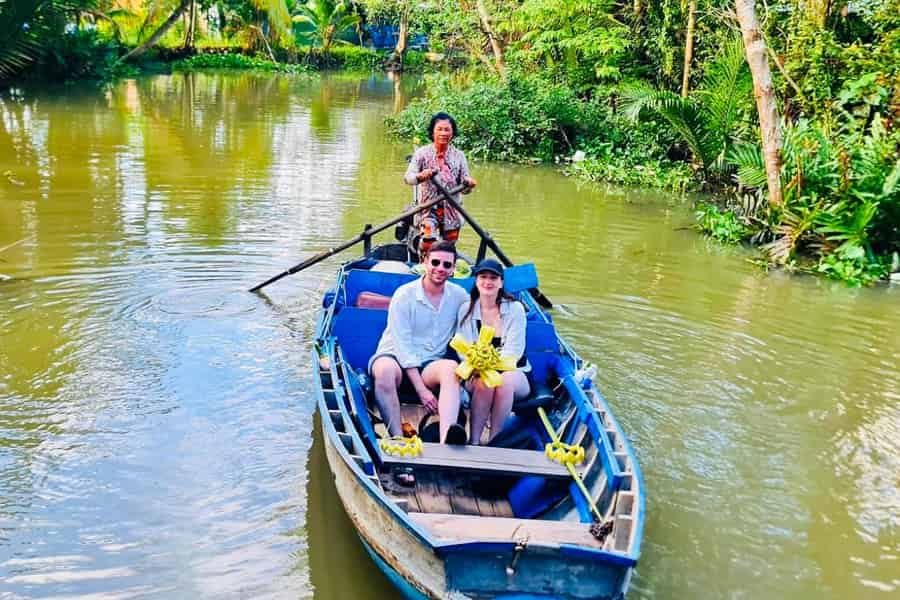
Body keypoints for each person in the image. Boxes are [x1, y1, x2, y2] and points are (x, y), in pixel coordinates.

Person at [369, 241, 470, 459]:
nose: (440, 268)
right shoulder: (404, 295)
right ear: (424, 262)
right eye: (435, 262)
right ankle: (398, 440)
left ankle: (447, 442)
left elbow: (470, 327)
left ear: (453, 269)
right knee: (384, 371)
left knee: (452, 368)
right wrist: (421, 391)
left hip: (430, 363)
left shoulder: (460, 296)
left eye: (446, 265)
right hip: (394, 357)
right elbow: (402, 345)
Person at [456, 259, 530, 445]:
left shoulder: (515, 309)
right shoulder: (467, 309)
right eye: (483, 277)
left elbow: (514, 352)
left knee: (503, 382)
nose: (488, 282)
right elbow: (462, 348)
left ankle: (495, 442)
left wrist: (491, 367)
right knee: (484, 383)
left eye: (493, 278)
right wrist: (479, 367)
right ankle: (473, 441)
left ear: (501, 283)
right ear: (476, 280)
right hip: (475, 371)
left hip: (514, 372)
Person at [404, 112, 477, 257]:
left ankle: (444, 270)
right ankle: (425, 265)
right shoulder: (422, 154)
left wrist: (469, 184)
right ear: (433, 131)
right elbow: (408, 178)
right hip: (428, 208)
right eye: (440, 129)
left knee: (448, 247)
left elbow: (465, 188)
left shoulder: (459, 156)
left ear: (452, 133)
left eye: (447, 130)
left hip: (452, 209)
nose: (443, 133)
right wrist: (420, 176)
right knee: (428, 238)